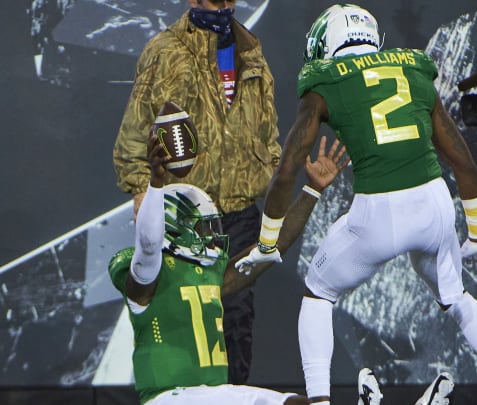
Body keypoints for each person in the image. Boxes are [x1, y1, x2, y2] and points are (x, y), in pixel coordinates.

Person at [233, 4, 477, 405]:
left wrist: (267, 243)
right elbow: (463, 164)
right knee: (458, 299)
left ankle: (319, 401)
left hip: (378, 213)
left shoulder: (323, 81)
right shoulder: (414, 70)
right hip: (433, 205)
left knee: (318, 294)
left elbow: (287, 171)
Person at [108, 132, 347, 404]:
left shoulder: (211, 276)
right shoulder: (148, 281)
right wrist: (156, 182)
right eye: (203, 228)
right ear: (176, 228)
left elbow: (270, 248)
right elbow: (149, 245)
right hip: (169, 398)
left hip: (212, 396)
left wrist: (312, 190)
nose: (211, 236)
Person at [112, 0, 281, 384]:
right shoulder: (165, 51)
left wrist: (266, 168)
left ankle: (233, 397)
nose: (222, 4)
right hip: (186, 215)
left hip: (239, 215)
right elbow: (135, 132)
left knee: (236, 321)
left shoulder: (251, 52)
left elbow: (268, 128)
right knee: (185, 319)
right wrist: (142, 192)